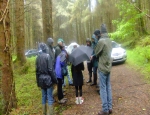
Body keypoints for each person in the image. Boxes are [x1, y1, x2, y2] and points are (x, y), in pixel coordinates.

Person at [95, 24, 112, 115]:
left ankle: (105, 109)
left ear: (101, 32)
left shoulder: (101, 41)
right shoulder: (109, 40)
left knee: (103, 88)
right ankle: (110, 107)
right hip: (109, 66)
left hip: (102, 67)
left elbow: (96, 52)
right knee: (108, 87)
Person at [35, 43, 58, 115]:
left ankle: (44, 113)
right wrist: (55, 80)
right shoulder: (47, 57)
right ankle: (50, 113)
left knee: (43, 97)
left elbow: (37, 71)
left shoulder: (37, 58)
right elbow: (50, 70)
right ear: (45, 49)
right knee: (50, 97)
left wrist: (38, 82)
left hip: (41, 80)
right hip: (48, 79)